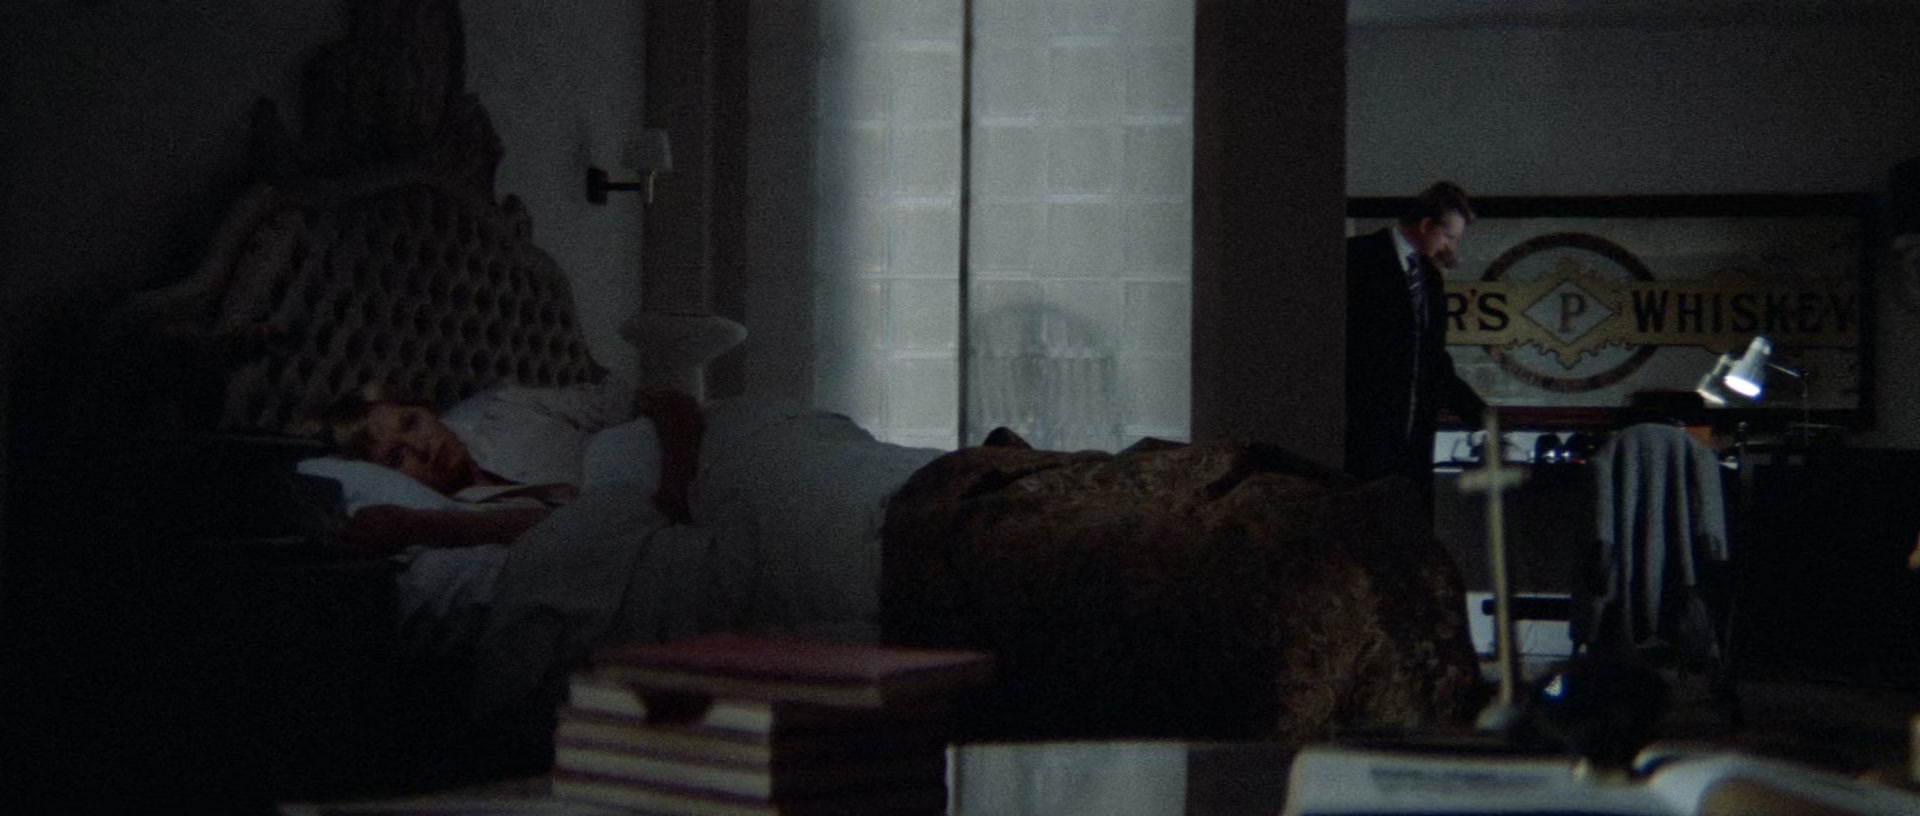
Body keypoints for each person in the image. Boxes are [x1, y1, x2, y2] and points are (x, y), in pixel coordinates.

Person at [318, 383, 705, 552]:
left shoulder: (510, 409)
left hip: (691, 464)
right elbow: (565, 528)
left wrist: (677, 485)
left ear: (428, 410)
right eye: (396, 457)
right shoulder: (454, 513)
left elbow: (671, 402)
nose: (422, 447)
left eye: (412, 422)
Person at [1345, 180, 1489, 509]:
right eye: (1449, 237)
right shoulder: (1356, 258)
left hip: (1412, 445)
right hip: (1361, 435)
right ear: (1426, 226)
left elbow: (1432, 361)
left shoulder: (1430, 279)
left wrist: (1480, 414)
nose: (1451, 247)